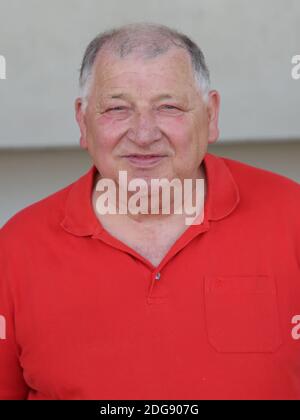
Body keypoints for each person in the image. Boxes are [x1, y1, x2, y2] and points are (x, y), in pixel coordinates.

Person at [0, 22, 299, 400]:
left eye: (168, 107)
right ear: (83, 120)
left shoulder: (292, 219)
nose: (143, 133)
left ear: (211, 115)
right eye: (117, 108)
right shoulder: (16, 247)